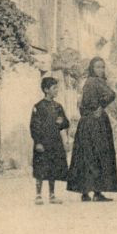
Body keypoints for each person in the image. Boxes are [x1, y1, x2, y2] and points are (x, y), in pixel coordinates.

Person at [69, 57, 117, 202]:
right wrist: (101, 106)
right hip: (96, 123)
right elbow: (112, 94)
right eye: (98, 67)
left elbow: (82, 106)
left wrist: (94, 109)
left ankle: (85, 192)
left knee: (86, 155)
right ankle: (97, 192)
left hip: (86, 122)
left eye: (102, 67)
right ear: (92, 68)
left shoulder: (87, 82)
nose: (101, 70)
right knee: (98, 154)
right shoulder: (96, 81)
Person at [30, 76, 71, 205]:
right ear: (46, 90)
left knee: (53, 168)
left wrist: (62, 121)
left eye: (57, 88)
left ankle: (52, 195)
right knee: (41, 168)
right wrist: (38, 142)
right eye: (54, 88)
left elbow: (65, 123)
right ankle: (38, 195)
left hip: (55, 142)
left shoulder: (58, 107)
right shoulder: (38, 106)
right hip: (43, 143)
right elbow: (34, 126)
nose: (57, 90)